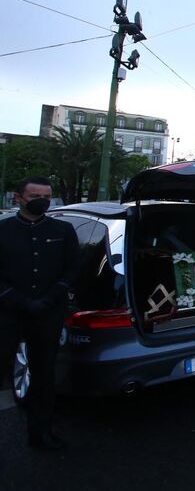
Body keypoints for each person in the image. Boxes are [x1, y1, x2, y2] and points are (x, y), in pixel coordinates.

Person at [0, 177, 78, 450]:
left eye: (46, 194)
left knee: (44, 376)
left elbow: (71, 269)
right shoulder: (4, 230)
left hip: (47, 314)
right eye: (35, 195)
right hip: (8, 314)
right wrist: (19, 301)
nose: (41, 200)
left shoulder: (63, 229)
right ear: (18, 197)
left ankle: (41, 433)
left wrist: (50, 297)